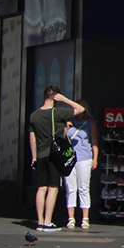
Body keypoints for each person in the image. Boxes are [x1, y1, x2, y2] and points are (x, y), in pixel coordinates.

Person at [27, 85, 83, 230]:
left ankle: (39, 221)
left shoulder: (34, 115)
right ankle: (47, 221)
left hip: (40, 155)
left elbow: (32, 139)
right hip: (54, 155)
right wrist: (65, 99)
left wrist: (34, 157)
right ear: (56, 97)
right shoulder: (58, 112)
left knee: (41, 188)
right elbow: (80, 109)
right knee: (53, 187)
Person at [63, 103, 99, 229]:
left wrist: (95, 158)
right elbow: (61, 140)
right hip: (69, 157)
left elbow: (94, 141)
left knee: (84, 187)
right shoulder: (68, 124)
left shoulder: (90, 124)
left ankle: (85, 218)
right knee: (70, 188)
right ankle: (71, 218)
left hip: (85, 158)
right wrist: (66, 129)